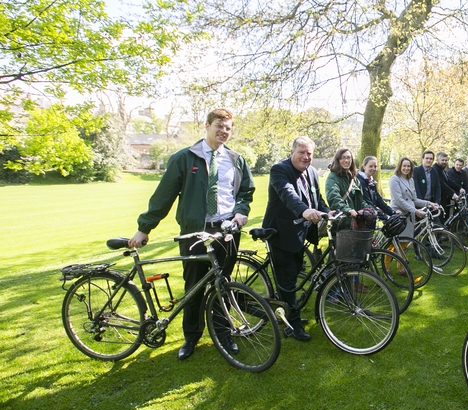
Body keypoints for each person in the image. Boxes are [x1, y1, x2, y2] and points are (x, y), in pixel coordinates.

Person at [129, 108, 255, 361]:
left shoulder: (235, 159)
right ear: (207, 126)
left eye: (228, 128)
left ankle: (223, 334)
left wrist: (241, 212)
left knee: (223, 284)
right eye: (219, 125)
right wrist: (144, 228)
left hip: (227, 231)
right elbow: (163, 196)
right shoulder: (184, 158)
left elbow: (245, 192)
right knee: (194, 286)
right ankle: (191, 337)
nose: (223, 131)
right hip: (195, 232)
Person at [262, 136, 330, 341]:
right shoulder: (279, 170)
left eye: (309, 153)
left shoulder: (311, 171)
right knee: (288, 281)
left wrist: (329, 212)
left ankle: (290, 312)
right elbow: (287, 194)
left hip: (300, 232)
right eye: (301, 152)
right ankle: (293, 325)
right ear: (292, 152)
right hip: (280, 232)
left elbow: (316, 198)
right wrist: (304, 211)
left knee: (294, 275)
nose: (306, 157)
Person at [389, 157, 438, 238]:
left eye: (408, 166)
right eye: (404, 166)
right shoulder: (394, 179)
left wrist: (429, 203)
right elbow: (399, 200)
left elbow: (414, 200)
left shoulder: (411, 180)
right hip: (399, 216)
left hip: (409, 215)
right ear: (399, 166)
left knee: (407, 240)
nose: (406, 168)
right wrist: (415, 211)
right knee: (397, 242)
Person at [325, 148, 370, 231]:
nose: (346, 160)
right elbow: (334, 198)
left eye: (349, 157)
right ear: (338, 160)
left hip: (356, 224)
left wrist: (370, 209)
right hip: (341, 224)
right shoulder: (333, 177)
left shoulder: (353, 178)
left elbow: (360, 200)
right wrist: (347, 210)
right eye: (343, 157)